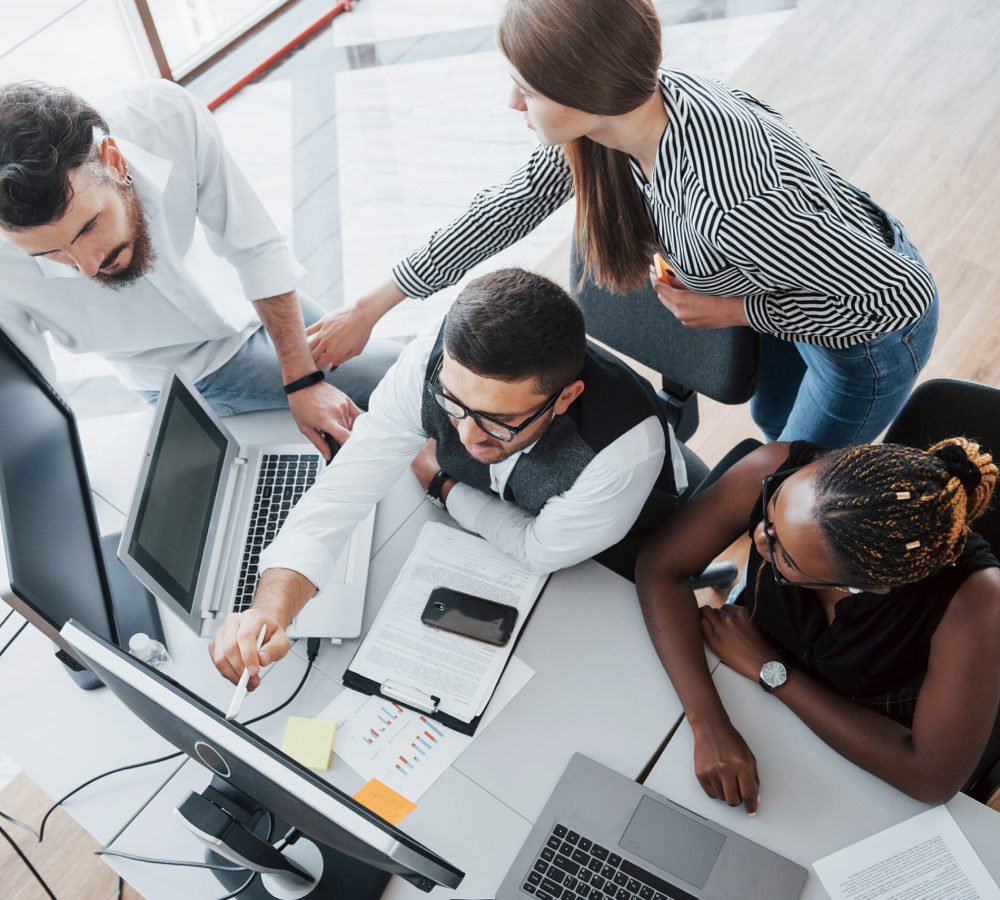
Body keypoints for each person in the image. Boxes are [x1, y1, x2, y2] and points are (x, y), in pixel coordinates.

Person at [304, 0, 938, 449]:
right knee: (774, 420)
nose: (511, 102)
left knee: (797, 475)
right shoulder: (627, 116)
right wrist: (372, 305)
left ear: (584, 91)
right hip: (797, 286)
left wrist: (746, 313)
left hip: (868, 334)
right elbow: (508, 204)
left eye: (527, 88)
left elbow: (900, 296)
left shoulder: (726, 209)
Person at [209, 268, 689, 686]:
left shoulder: (621, 453)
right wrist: (269, 610)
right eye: (453, 403)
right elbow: (337, 499)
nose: (464, 435)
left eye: (497, 419)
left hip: (622, 544)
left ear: (564, 398)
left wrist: (444, 485)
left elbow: (539, 549)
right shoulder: (432, 362)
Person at [0, 79, 401, 457]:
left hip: (245, 299)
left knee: (409, 373)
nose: (87, 266)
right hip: (192, 370)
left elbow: (253, 245)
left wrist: (301, 379)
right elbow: (33, 396)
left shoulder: (165, 119)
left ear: (114, 161)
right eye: (48, 253)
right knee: (397, 379)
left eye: (89, 226)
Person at [635, 437, 1000, 810]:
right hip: (736, 685)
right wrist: (707, 722)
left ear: (865, 586)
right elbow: (661, 566)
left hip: (857, 767)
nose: (760, 534)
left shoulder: (974, 601)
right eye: (772, 508)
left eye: (784, 558)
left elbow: (930, 778)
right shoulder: (777, 466)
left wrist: (772, 672)